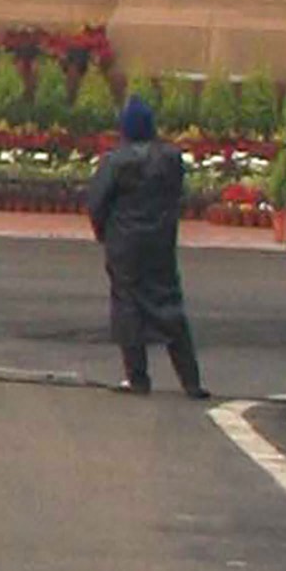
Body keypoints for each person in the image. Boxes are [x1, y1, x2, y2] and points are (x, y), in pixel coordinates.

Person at [87, 93, 206, 398]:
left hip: (124, 241)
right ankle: (190, 380)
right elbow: (178, 195)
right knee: (169, 301)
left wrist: (105, 233)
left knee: (127, 304)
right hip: (160, 240)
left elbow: (97, 203)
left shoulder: (115, 161)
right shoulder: (171, 159)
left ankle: (138, 377)